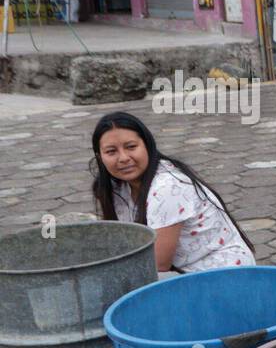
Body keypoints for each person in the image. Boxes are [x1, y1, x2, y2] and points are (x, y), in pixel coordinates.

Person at [90, 112, 255, 273]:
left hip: (223, 275)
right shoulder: (116, 188)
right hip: (183, 271)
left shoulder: (167, 188)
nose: (124, 158)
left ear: (147, 145)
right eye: (111, 151)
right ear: (100, 157)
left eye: (131, 147)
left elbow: (156, 265)